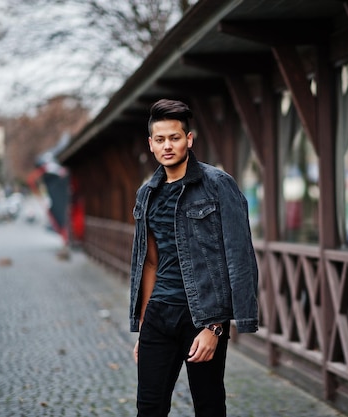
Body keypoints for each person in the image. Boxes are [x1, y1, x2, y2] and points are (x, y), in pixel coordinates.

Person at [129, 99, 259, 417]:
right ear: (151, 144)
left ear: (189, 139)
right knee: (149, 407)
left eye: (174, 137)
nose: (167, 145)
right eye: (160, 139)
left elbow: (239, 257)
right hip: (159, 316)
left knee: (209, 405)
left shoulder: (217, 185)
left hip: (201, 317)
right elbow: (149, 262)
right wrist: (144, 325)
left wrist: (216, 327)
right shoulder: (147, 193)